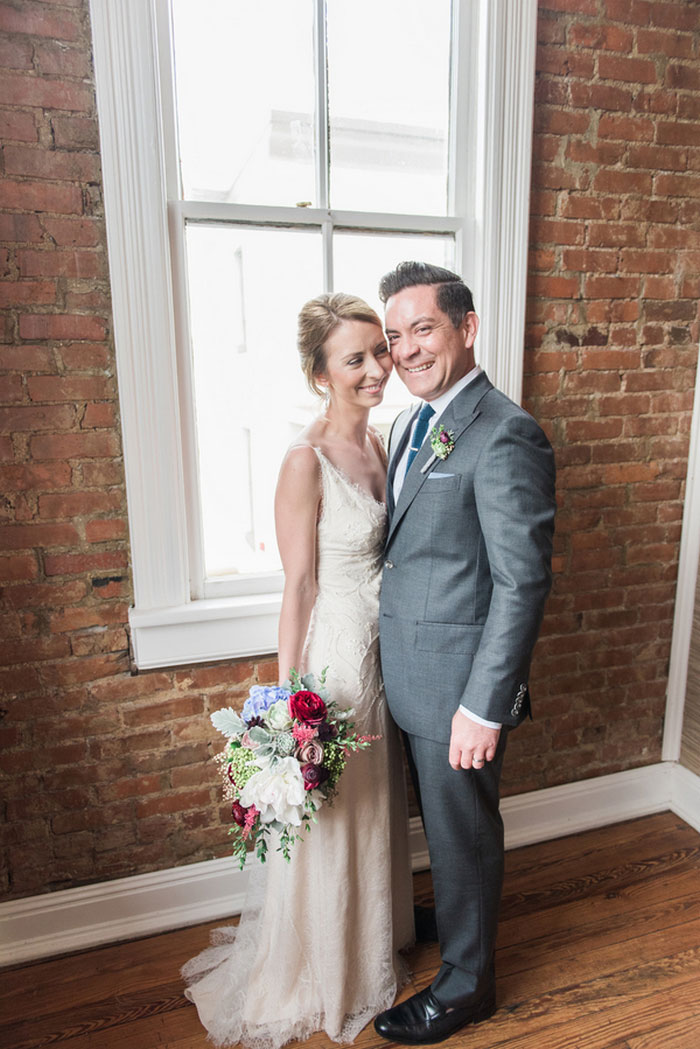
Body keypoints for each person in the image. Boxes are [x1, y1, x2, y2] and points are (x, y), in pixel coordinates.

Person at [182, 293, 414, 1049]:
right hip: (338, 655)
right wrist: (287, 698)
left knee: (377, 800)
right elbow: (300, 585)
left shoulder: (381, 440)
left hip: (388, 650)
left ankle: (370, 940)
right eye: (357, 358)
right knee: (336, 810)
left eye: (381, 351)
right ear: (320, 373)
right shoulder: (302, 458)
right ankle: (323, 969)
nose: (379, 367)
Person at [374, 261, 556, 1044]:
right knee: (444, 835)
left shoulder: (505, 430)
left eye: (424, 329)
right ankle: (456, 909)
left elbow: (521, 582)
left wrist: (484, 704)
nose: (407, 350)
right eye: (394, 336)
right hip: (412, 675)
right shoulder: (413, 422)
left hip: (460, 690)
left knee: (465, 832)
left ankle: (466, 986)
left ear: (467, 327)